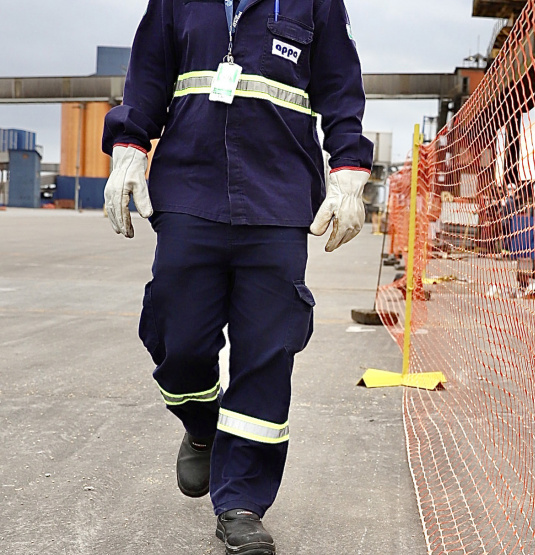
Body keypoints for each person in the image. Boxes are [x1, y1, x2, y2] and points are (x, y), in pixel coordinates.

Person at [101, 0, 373, 553]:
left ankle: (242, 503)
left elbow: (341, 87)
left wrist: (348, 174)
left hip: (278, 200)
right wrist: (129, 149)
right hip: (189, 191)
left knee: (267, 352)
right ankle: (202, 425)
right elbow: (149, 71)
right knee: (178, 339)